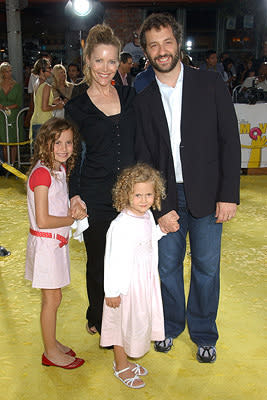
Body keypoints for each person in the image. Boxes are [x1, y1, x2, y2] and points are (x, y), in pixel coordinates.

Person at [134, 13, 241, 362]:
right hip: (168, 196)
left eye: (167, 42)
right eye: (153, 45)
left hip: (209, 195)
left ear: (177, 43)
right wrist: (159, 207)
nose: (161, 50)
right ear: (147, 52)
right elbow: (145, 158)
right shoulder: (143, 96)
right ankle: (168, 325)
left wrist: (228, 195)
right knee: (166, 267)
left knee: (207, 268)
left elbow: (229, 142)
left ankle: (204, 333)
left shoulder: (210, 84)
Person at [65, 24, 136, 336]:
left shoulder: (132, 97)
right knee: (98, 261)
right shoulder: (76, 106)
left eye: (111, 61)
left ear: (118, 61)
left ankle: (129, 315)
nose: (105, 69)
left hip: (133, 197)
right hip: (94, 194)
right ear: (87, 61)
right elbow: (72, 155)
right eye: (98, 61)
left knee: (129, 262)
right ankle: (97, 316)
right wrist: (74, 194)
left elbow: (146, 145)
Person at [25, 117, 85, 370]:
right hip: (46, 247)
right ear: (44, 144)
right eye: (56, 142)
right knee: (51, 300)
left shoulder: (58, 169)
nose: (63, 148)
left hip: (56, 245)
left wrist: (72, 204)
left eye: (68, 142)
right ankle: (50, 351)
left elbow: (59, 202)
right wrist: (71, 217)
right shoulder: (42, 174)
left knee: (56, 297)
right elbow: (43, 219)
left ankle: (52, 342)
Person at [100, 163, 166, 389]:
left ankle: (126, 361)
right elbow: (112, 259)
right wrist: (112, 292)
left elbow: (146, 240)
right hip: (125, 287)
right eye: (138, 195)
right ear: (125, 194)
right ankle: (120, 365)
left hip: (144, 282)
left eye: (149, 194)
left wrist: (162, 230)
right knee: (121, 325)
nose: (144, 200)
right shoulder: (120, 225)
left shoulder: (147, 216)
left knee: (135, 323)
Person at [29, 58, 64, 140]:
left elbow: (39, 101)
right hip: (44, 122)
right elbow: (44, 108)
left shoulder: (36, 83)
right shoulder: (46, 86)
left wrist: (53, 101)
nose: (51, 70)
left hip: (36, 121)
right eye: (49, 68)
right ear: (42, 70)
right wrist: (57, 107)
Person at [0, 62, 23, 164]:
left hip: (13, 115)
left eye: (10, 71)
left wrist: (7, 107)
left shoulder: (16, 86)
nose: (9, 73)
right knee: (4, 141)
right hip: (1, 116)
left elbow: (19, 103)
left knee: (13, 141)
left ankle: (13, 164)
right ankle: (6, 165)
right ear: (2, 73)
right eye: (6, 71)